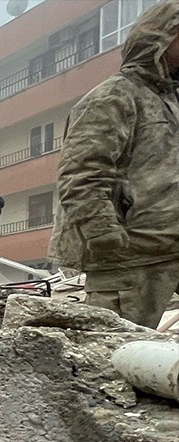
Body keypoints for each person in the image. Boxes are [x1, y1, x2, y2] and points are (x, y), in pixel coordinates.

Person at [50, 1, 179, 329]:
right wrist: (107, 238)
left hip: (167, 249)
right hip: (126, 262)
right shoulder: (114, 97)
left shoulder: (169, 101)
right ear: (162, 39)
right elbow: (82, 176)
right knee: (114, 361)